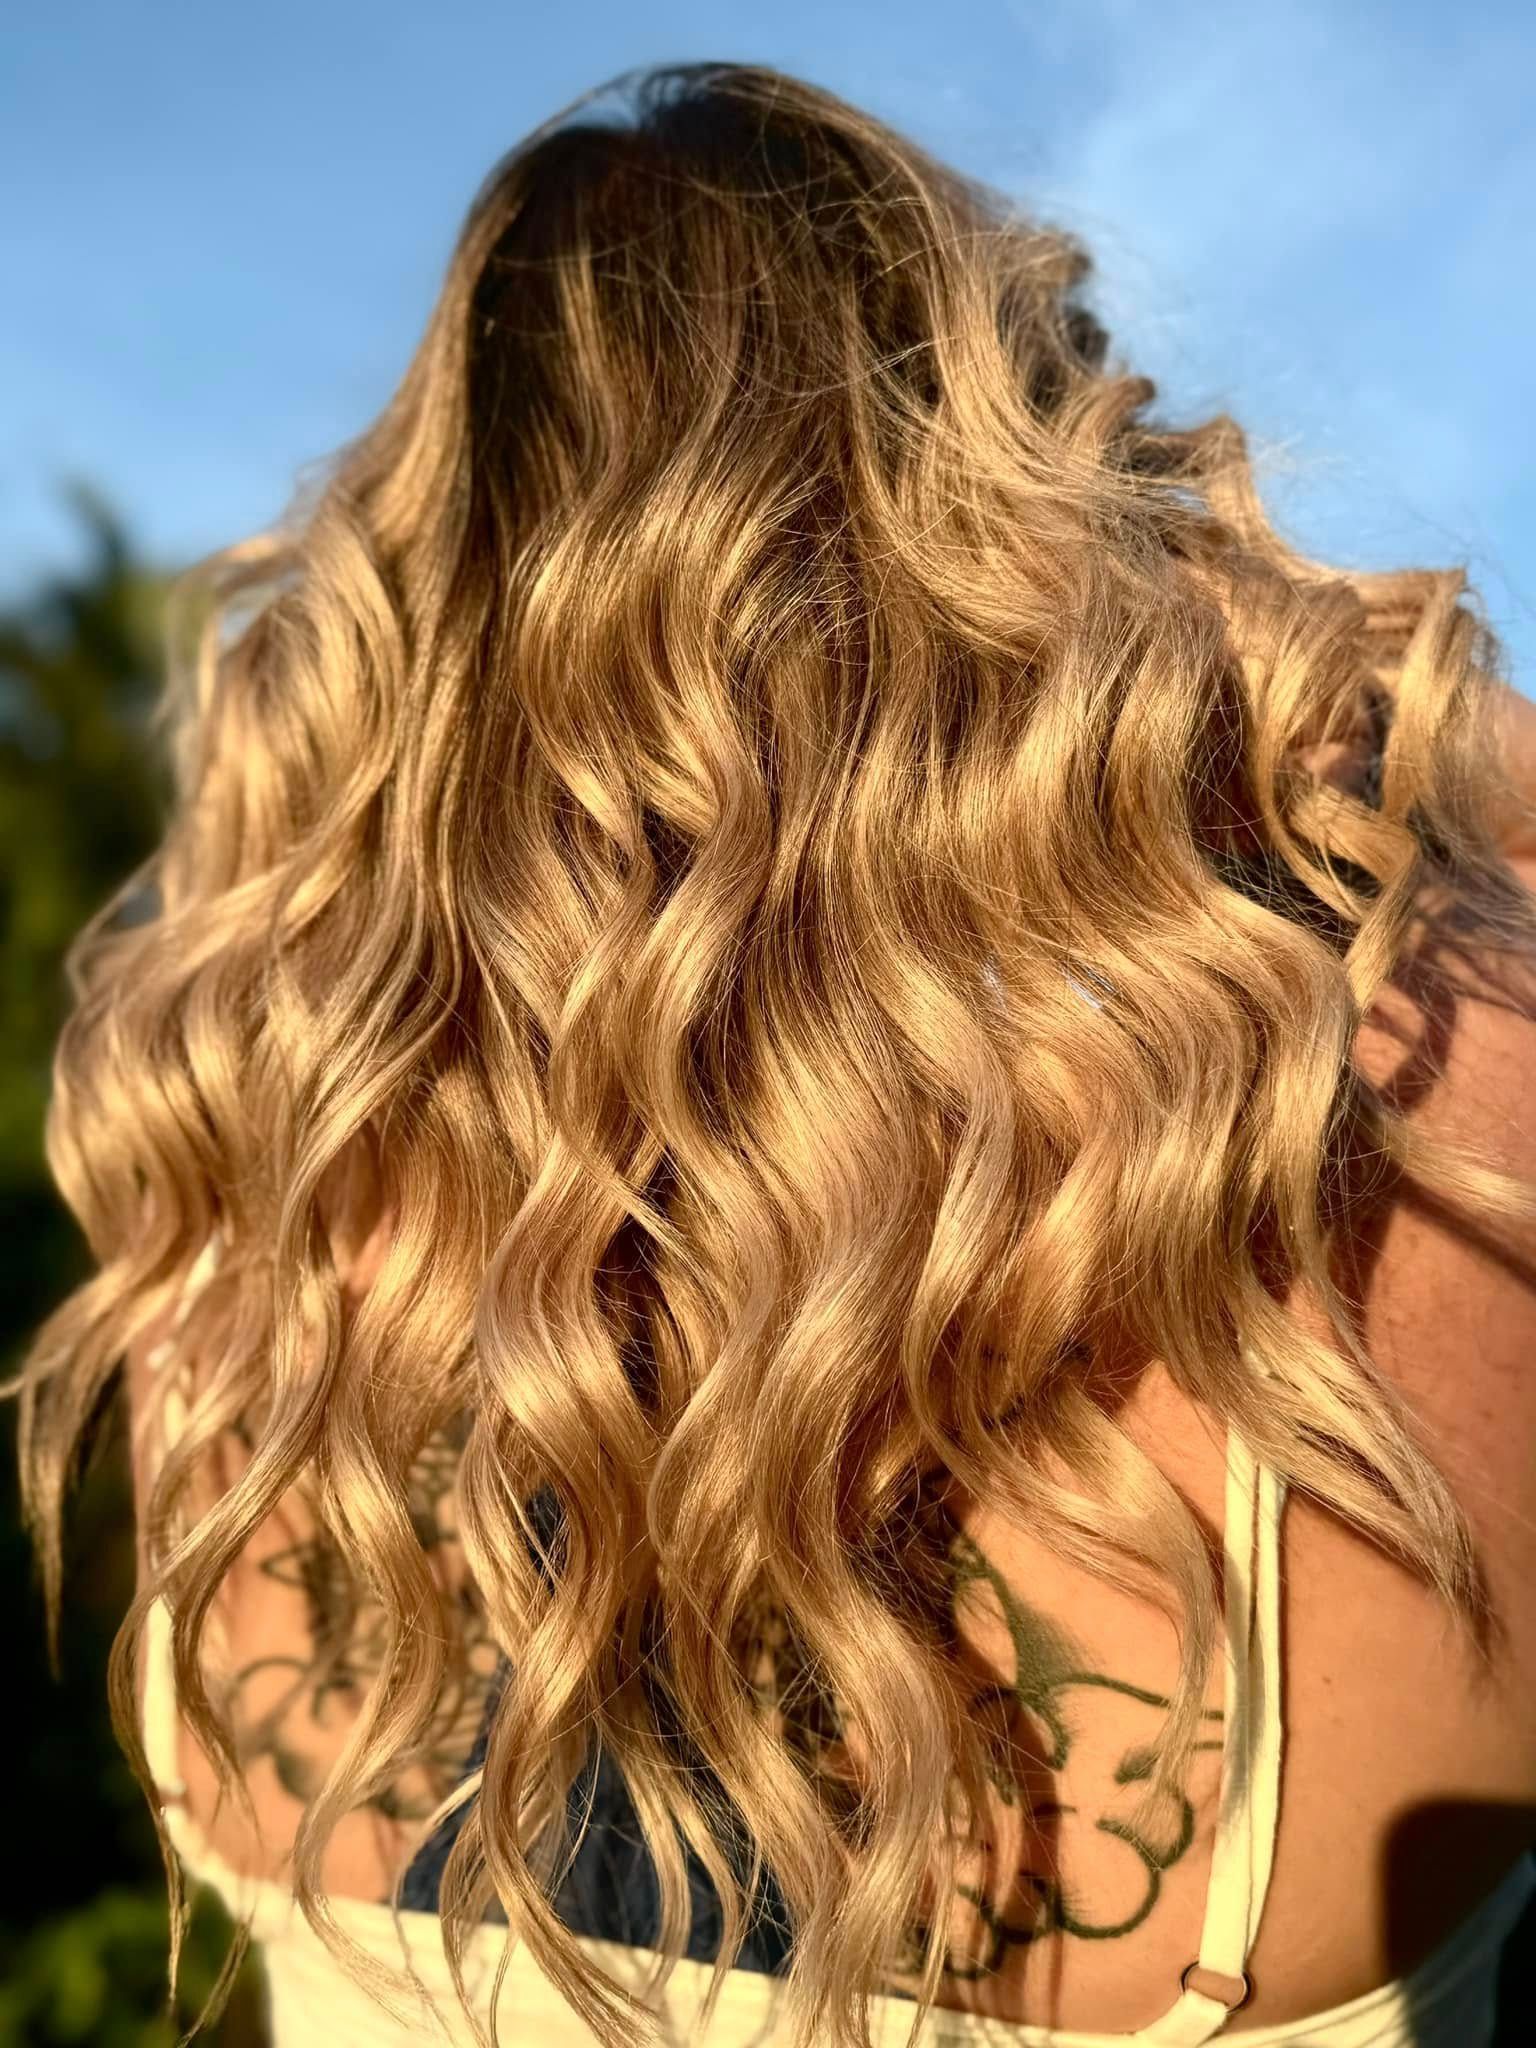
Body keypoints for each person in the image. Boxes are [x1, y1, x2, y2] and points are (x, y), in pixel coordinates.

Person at [12, 58, 1536, 2048]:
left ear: (408, 662)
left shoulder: (232, 1301)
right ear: (1073, 531)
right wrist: (1349, 686)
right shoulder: (1442, 1124)